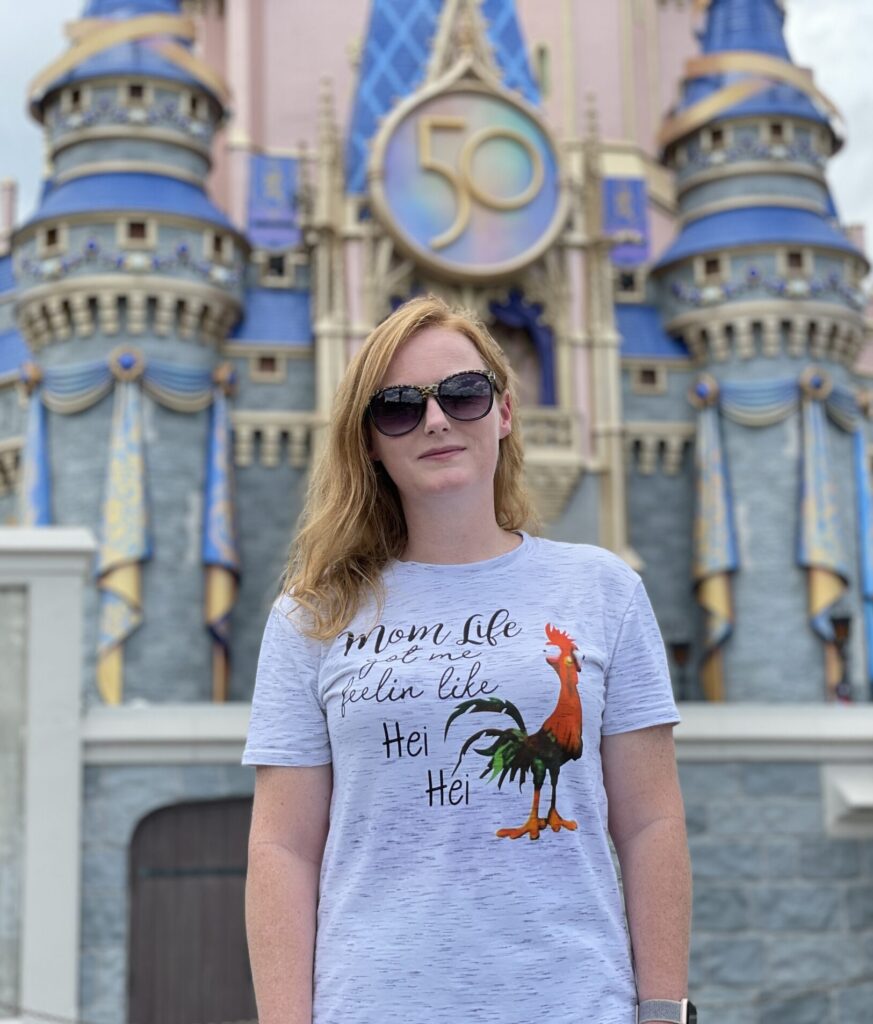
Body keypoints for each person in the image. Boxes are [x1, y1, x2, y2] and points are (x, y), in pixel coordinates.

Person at [243, 295, 693, 1024]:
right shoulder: (311, 614)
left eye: (462, 392)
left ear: (504, 412)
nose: (435, 419)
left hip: (574, 1004)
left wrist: (663, 1010)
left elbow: (649, 822)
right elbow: (282, 848)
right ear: (369, 442)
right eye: (397, 406)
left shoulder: (602, 587)